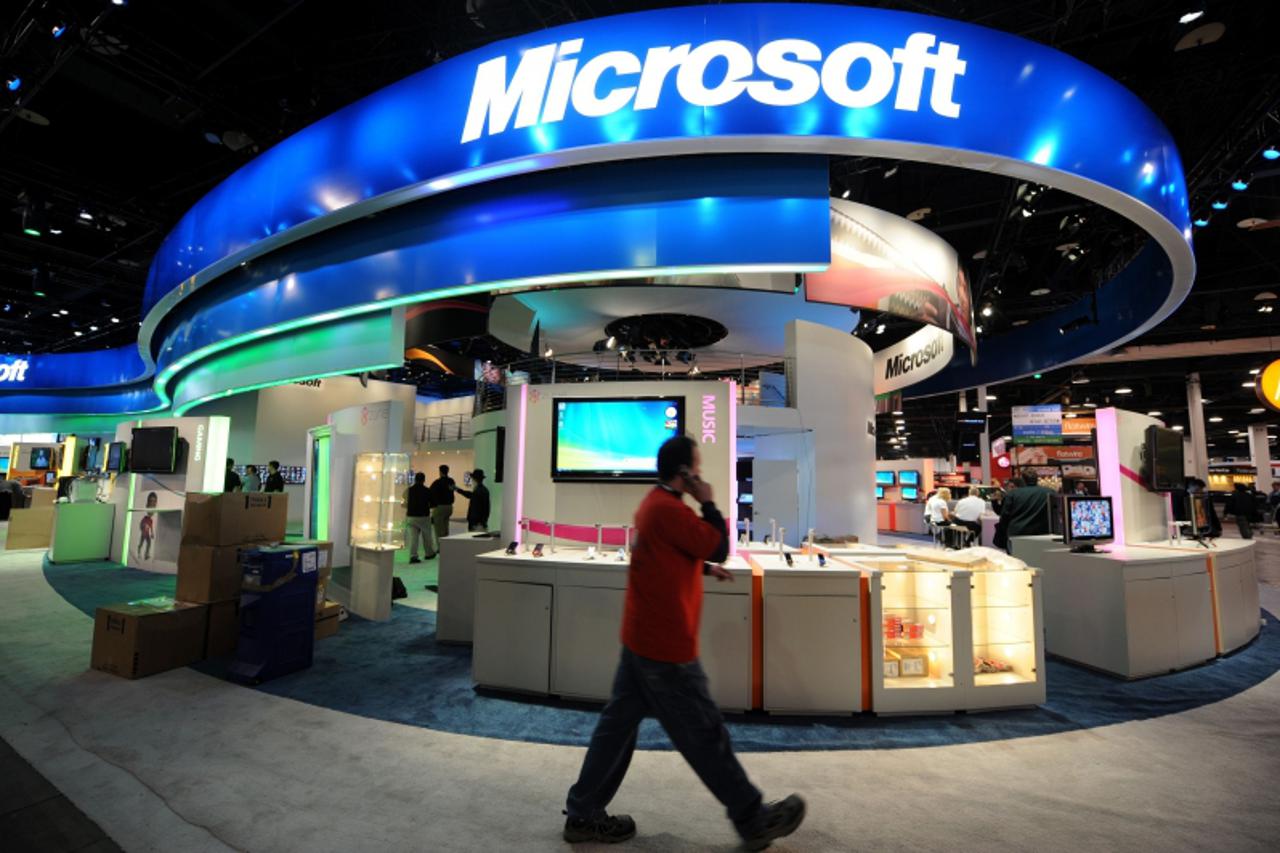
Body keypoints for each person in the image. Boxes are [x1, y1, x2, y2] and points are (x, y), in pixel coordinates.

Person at [564, 435, 805, 849]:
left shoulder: (654, 505)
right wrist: (709, 503)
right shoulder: (671, 511)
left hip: (642, 640)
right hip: (665, 650)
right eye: (697, 468)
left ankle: (583, 814)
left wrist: (703, 569)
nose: (701, 475)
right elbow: (720, 544)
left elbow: (667, 556)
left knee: (617, 729)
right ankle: (753, 819)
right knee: (705, 735)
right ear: (684, 473)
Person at [995, 472, 1055, 553]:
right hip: (1042, 534)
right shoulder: (1050, 492)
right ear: (1037, 479)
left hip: (1017, 533)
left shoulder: (1013, 494)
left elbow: (1005, 516)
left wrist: (1004, 531)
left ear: (1023, 480)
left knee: (1016, 561)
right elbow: (1056, 513)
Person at [403, 472, 435, 562]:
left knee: (413, 538)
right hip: (423, 516)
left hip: (411, 516)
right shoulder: (427, 491)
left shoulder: (408, 490)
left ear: (415, 479)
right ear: (424, 480)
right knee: (427, 536)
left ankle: (413, 556)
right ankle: (429, 553)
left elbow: (404, 500)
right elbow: (433, 503)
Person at [428, 464, 456, 542]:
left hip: (439, 507)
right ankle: (446, 545)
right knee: (445, 527)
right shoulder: (451, 481)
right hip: (449, 507)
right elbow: (453, 490)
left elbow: (430, 493)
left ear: (440, 472)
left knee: (438, 530)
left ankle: (440, 548)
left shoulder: (437, 482)